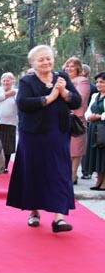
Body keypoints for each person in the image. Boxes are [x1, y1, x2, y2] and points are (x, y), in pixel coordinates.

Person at [6, 45, 81, 233]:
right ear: (33, 63)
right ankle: (34, 212)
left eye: (48, 58)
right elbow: (23, 103)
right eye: (41, 59)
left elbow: (77, 101)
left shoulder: (62, 78)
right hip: (33, 136)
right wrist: (50, 98)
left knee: (59, 172)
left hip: (58, 134)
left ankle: (59, 217)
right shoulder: (27, 81)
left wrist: (64, 93)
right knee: (34, 172)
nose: (46, 62)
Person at [63, 56, 91, 184]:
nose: (69, 68)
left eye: (72, 66)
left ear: (78, 68)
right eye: (67, 66)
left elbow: (80, 100)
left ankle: (73, 175)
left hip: (75, 119)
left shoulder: (82, 81)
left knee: (75, 150)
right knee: (65, 149)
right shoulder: (63, 80)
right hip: (62, 119)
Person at [0, 72, 18, 173]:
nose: (6, 82)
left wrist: (11, 93)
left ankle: (5, 166)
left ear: (13, 81)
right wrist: (9, 93)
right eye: (4, 80)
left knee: (8, 146)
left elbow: (18, 100)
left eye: (8, 80)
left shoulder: (17, 91)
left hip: (10, 122)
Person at [84, 72, 105, 190]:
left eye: (102, 82)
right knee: (97, 155)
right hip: (94, 128)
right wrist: (89, 117)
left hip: (103, 127)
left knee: (103, 155)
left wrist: (99, 116)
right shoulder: (95, 96)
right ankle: (99, 180)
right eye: (97, 82)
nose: (98, 84)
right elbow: (88, 110)